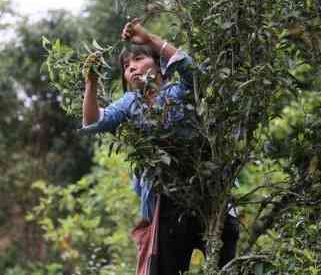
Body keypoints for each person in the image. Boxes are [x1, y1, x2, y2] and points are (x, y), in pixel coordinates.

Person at [81, 18, 239, 274]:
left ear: (159, 66)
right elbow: (93, 121)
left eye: (138, 59)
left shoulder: (179, 91)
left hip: (207, 192)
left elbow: (191, 69)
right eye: (126, 66)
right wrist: (91, 82)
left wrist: (149, 38)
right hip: (167, 202)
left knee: (225, 264)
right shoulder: (131, 103)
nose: (132, 67)